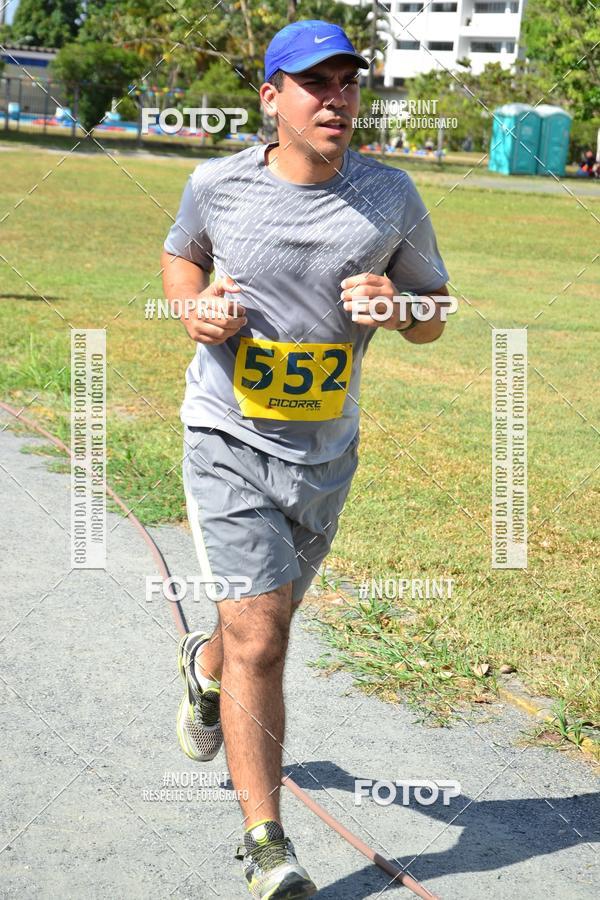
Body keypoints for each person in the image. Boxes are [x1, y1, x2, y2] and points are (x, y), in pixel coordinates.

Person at [161, 18, 451, 899]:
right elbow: (181, 259)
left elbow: (438, 311)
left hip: (324, 456)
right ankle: (266, 842)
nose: (336, 99)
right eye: (315, 83)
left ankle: (205, 671)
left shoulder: (389, 196)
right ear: (271, 98)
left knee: (254, 628)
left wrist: (399, 305)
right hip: (228, 437)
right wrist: (193, 311)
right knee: (266, 632)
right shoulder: (219, 184)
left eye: (348, 83)